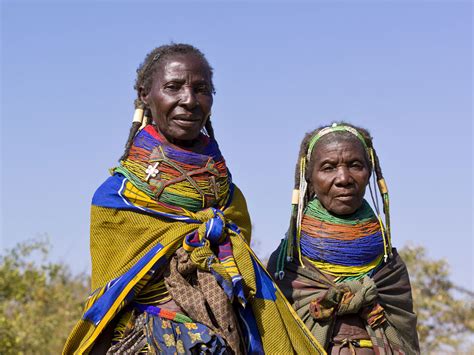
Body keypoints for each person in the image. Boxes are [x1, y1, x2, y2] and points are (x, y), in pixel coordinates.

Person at [63, 43, 324, 354]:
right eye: (173, 87)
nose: (188, 100)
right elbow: (111, 298)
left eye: (200, 89)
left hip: (226, 342)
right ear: (146, 95)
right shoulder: (117, 199)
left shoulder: (228, 197)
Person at [268, 122, 420, 354]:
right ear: (309, 176)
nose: (343, 178)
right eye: (328, 167)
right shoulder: (288, 265)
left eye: (355, 165)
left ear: (369, 172)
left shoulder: (389, 268)